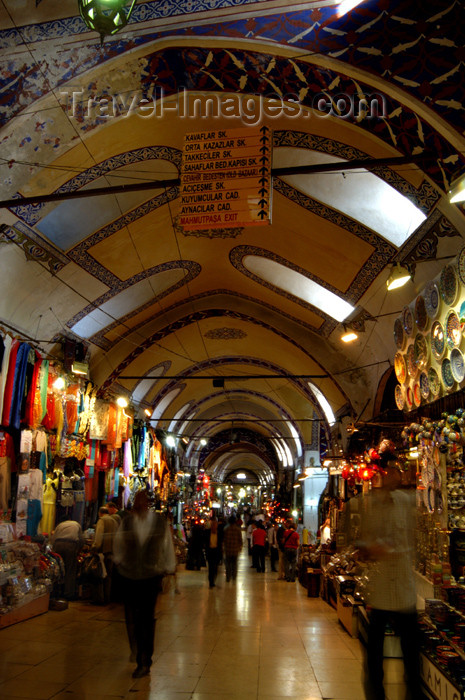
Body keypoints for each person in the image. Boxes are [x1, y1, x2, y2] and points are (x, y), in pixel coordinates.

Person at [353, 457, 422, 700]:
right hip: (380, 590)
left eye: (397, 471)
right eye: (389, 471)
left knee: (412, 652)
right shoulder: (370, 504)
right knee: (374, 654)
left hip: (404, 588)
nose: (393, 475)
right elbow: (359, 543)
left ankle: (413, 691)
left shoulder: (407, 501)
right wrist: (371, 548)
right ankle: (375, 694)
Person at [113, 490, 176, 678]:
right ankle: (137, 649)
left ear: (147, 503)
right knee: (131, 617)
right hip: (130, 576)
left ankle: (144, 659)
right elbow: (119, 545)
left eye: (143, 501)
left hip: (150, 576)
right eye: (137, 501)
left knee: (146, 619)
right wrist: (120, 562)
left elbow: (166, 546)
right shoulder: (127, 523)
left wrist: (168, 566)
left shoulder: (158, 523)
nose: (140, 504)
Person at [50, 517, 84, 600]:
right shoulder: (76, 524)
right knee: (70, 570)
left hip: (58, 544)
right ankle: (68, 594)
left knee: (58, 568)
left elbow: (53, 538)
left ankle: (56, 592)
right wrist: (79, 549)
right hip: (71, 545)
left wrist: (54, 550)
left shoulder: (60, 525)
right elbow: (81, 539)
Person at [92, 505, 118, 604]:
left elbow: (99, 536)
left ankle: (99, 599)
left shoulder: (102, 521)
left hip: (103, 553)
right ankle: (107, 598)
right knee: (108, 576)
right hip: (112, 552)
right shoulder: (114, 521)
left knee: (99, 575)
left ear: (100, 513)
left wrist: (95, 547)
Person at [223, 514, 242, 582]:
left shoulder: (226, 529)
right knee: (234, 564)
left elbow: (224, 539)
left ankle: (228, 577)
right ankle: (234, 576)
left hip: (228, 549)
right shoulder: (238, 529)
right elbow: (240, 539)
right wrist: (240, 547)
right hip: (235, 549)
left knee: (228, 564)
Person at [205, 517, 223, 588]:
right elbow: (205, 541)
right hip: (210, 552)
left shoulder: (219, 534)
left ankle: (213, 579)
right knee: (211, 567)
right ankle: (211, 581)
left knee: (215, 568)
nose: (214, 527)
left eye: (215, 525)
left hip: (216, 552)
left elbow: (221, 544)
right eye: (212, 525)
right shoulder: (207, 533)